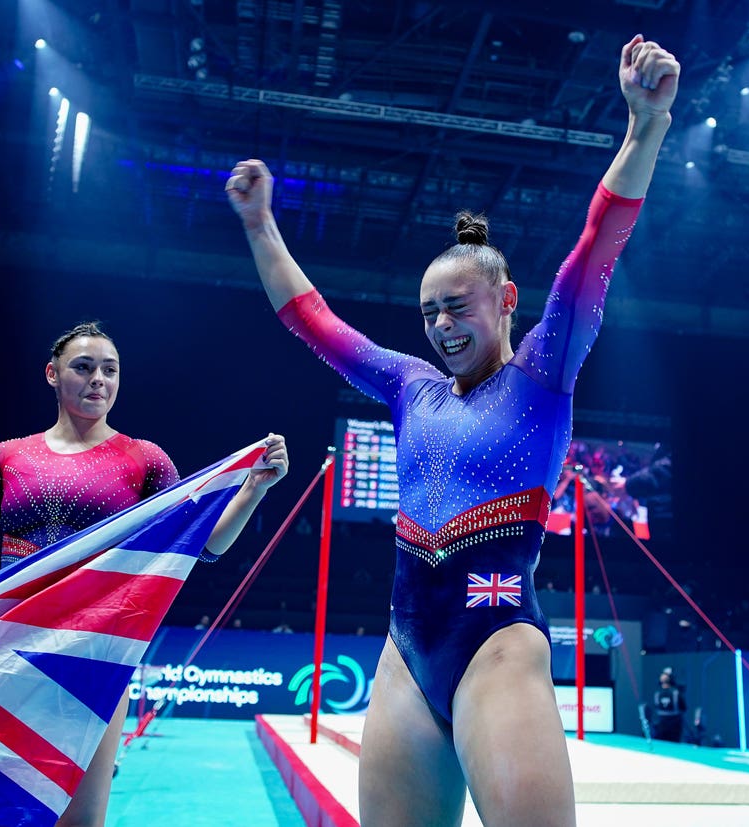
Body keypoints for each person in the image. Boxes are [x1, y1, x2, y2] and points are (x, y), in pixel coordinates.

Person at [227, 32, 678, 827]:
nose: (440, 325)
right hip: (406, 649)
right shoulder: (410, 386)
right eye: (428, 311)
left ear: (506, 303)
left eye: (457, 306)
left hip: (498, 642)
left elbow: (590, 256)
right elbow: (313, 321)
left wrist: (643, 129)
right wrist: (261, 225)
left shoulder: (543, 372)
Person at [0, 321, 289, 827]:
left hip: (93, 654)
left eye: (110, 370)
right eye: (83, 367)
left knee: (77, 819)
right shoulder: (7, 456)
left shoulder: (146, 460)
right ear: (52, 374)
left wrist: (252, 490)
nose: (98, 380)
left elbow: (204, 547)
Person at [651, 668, 686, 742]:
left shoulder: (675, 693)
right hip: (662, 726)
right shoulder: (658, 694)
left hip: (674, 727)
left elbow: (683, 708)